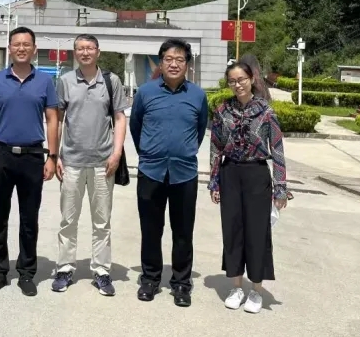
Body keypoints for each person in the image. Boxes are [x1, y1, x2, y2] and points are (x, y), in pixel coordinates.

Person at [0, 26, 59, 297]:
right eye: (17, 44)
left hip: (33, 156)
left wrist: (52, 156)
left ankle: (26, 272)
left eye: (26, 44)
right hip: (1, 154)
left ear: (34, 49)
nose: (21, 48)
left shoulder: (45, 81)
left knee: (29, 218)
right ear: (10, 48)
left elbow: (52, 119)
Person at [128, 38, 209, 308]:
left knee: (183, 231)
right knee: (151, 229)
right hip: (151, 171)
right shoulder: (145, 93)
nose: (174, 64)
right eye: (169, 59)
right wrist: (148, 153)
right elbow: (136, 127)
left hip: (184, 173)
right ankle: (150, 279)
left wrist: (182, 151)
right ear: (160, 63)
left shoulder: (198, 95)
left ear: (187, 65)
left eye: (180, 60)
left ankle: (181, 283)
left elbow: (199, 130)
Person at [208, 60, 290, 314]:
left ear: (252, 79)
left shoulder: (266, 111)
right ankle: (236, 287)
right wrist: (214, 181)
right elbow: (216, 147)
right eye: (232, 81)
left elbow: (277, 149)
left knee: (257, 233)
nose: (237, 85)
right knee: (232, 231)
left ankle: (256, 290)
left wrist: (280, 188)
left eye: (241, 79)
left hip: (257, 175)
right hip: (230, 173)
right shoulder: (222, 110)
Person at [50, 34, 127, 296]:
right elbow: (58, 119)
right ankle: (64, 268)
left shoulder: (111, 81)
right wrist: (56, 155)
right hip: (71, 162)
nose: (85, 52)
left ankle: (101, 271)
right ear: (75, 52)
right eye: (80, 48)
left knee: (102, 222)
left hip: (103, 163)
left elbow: (120, 118)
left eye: (89, 48)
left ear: (98, 52)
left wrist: (116, 153)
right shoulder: (65, 81)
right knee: (68, 220)